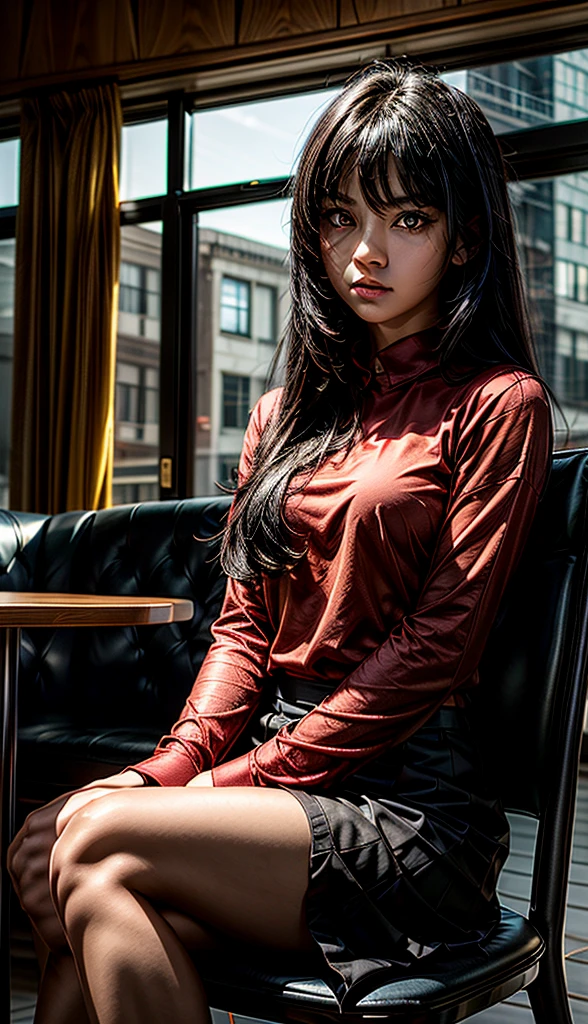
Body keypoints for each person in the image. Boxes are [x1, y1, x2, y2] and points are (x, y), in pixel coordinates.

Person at [7, 57, 560, 1024]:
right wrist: (164, 772)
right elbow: (242, 630)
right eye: (340, 217)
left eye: (407, 219)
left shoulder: (499, 404)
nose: (365, 253)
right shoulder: (283, 417)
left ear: (466, 237)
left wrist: (223, 786)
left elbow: (435, 652)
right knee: (70, 864)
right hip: (275, 778)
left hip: (411, 810)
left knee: (88, 848)